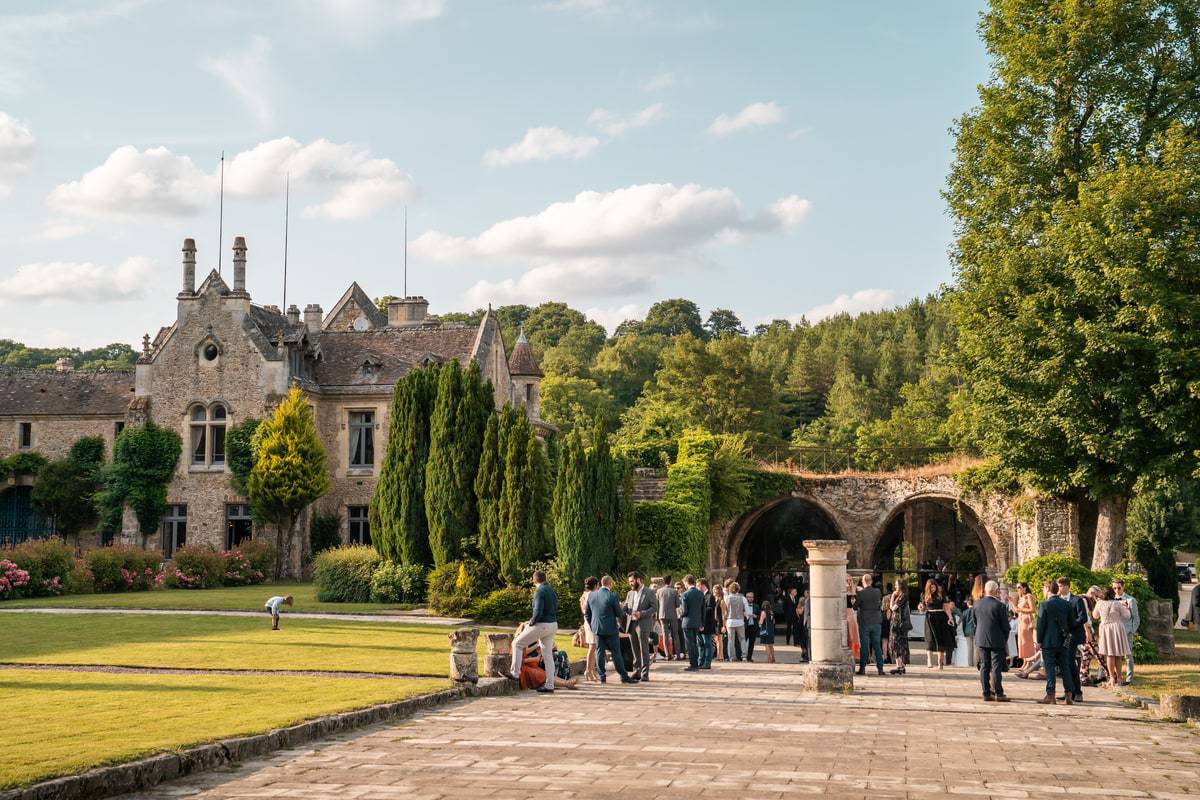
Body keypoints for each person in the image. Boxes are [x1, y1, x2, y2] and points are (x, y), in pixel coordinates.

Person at [506, 570, 558, 693]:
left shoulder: (539, 591)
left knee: (516, 643)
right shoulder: (551, 590)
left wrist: (531, 622)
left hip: (541, 624)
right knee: (547, 656)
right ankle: (550, 685)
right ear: (545, 579)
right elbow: (556, 605)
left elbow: (538, 611)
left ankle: (515, 673)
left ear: (534, 580)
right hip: (553, 624)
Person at [585, 575, 634, 684]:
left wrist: (593, 626)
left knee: (599, 652)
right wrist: (624, 609)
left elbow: (587, 614)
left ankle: (602, 676)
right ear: (610, 584)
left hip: (597, 629)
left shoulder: (591, 595)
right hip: (611, 630)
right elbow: (619, 614)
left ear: (601, 584)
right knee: (616, 653)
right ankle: (623, 676)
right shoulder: (612, 595)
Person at [1036, 580, 1075, 704]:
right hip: (1063, 641)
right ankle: (1069, 695)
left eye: (1043, 588)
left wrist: (1039, 640)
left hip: (1049, 641)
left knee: (1050, 668)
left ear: (1047, 589)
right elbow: (1072, 623)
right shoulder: (1067, 604)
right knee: (1065, 667)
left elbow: (1041, 624)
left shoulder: (1044, 604)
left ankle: (1051, 695)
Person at [973, 580, 1011, 702]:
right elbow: (1006, 626)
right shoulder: (1000, 605)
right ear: (996, 591)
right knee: (996, 667)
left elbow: (975, 622)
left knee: (984, 666)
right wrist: (1004, 639)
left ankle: (986, 692)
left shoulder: (977, 604)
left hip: (981, 638)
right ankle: (999, 693)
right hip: (997, 640)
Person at [515, 626, 579, 691]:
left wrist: (539, 646)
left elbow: (525, 652)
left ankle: (566, 683)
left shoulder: (523, 641)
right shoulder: (518, 642)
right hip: (524, 668)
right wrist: (535, 658)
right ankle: (566, 683)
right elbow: (519, 660)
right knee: (544, 675)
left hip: (530, 665)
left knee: (547, 673)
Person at [1094, 586, 1133, 689]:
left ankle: (1111, 678)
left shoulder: (1099, 603)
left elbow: (1095, 616)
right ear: (1112, 594)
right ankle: (1119, 678)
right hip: (1117, 627)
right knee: (1118, 655)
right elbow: (1127, 616)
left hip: (1105, 628)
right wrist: (1126, 607)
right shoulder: (1118, 604)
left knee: (1109, 655)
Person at [1057, 577, 1086, 703]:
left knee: (1069, 662)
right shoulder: (1057, 601)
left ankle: (1077, 691)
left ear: (1067, 586)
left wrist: (1071, 625)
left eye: (1062, 586)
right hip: (1062, 636)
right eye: (1058, 586)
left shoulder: (1077, 600)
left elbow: (1083, 617)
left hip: (1073, 635)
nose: (1060, 588)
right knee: (1064, 663)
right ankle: (1069, 691)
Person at [623, 571, 656, 681]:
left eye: (632, 581)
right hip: (631, 624)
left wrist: (641, 614)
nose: (630, 584)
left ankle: (645, 674)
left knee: (644, 649)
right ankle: (637, 672)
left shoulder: (649, 592)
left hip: (643, 624)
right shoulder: (630, 593)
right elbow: (626, 608)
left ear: (638, 580)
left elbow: (654, 608)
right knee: (635, 650)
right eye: (629, 582)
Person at [919, 579, 953, 670]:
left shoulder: (941, 594)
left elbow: (946, 606)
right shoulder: (924, 595)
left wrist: (950, 617)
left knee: (940, 640)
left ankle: (940, 663)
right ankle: (929, 661)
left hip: (941, 617)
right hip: (930, 617)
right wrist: (921, 608)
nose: (933, 588)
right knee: (929, 639)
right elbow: (922, 608)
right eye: (931, 587)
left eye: (934, 587)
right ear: (928, 587)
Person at [855, 574, 884, 676]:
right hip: (876, 621)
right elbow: (878, 604)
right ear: (871, 581)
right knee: (877, 645)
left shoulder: (861, 593)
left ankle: (862, 668)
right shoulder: (878, 592)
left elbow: (855, 606)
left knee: (864, 646)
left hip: (865, 622)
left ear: (863, 582)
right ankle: (880, 668)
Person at [1111, 579, 1139, 684]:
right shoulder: (1111, 600)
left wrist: (1132, 630)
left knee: (1128, 655)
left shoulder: (1131, 600)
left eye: (1119, 588)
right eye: (1114, 588)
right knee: (1113, 654)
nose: (1117, 590)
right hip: (1114, 630)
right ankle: (1114, 676)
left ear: (1123, 587)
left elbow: (1136, 618)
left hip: (1127, 631)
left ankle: (1129, 679)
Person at [680, 575, 705, 671]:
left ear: (687, 582)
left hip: (687, 622)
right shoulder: (700, 594)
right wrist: (702, 623)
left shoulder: (685, 594)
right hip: (697, 622)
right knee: (695, 643)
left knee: (690, 644)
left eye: (684, 583)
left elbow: (685, 611)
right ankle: (696, 663)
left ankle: (693, 665)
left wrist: (680, 614)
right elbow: (703, 610)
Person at [887, 579, 911, 675]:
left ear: (900, 586)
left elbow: (892, 607)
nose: (895, 586)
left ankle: (900, 666)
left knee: (895, 644)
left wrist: (892, 595)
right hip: (899, 623)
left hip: (898, 624)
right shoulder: (902, 596)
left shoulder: (902, 596)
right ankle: (901, 666)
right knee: (900, 644)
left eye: (896, 585)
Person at [658, 574, 683, 663]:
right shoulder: (674, 591)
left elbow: (657, 604)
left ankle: (667, 655)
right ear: (670, 581)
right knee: (675, 635)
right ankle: (678, 655)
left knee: (665, 635)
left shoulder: (659, 591)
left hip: (662, 615)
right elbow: (678, 604)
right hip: (673, 615)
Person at [579, 576, 600, 683]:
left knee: (593, 646)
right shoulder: (592, 595)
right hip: (592, 622)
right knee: (592, 647)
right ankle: (588, 670)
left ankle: (591, 671)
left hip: (587, 622)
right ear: (595, 585)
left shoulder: (584, 595)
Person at [724, 582, 750, 661]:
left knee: (731, 640)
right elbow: (747, 611)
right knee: (742, 639)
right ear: (738, 589)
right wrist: (746, 616)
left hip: (730, 621)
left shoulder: (727, 598)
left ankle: (732, 657)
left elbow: (725, 611)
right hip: (740, 621)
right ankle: (744, 656)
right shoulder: (743, 598)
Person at [1014, 582, 1037, 665]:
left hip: (1027, 620)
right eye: (1017, 587)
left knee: (1027, 642)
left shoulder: (1029, 596)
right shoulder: (1022, 598)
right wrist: (1012, 602)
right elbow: (1017, 610)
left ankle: (1029, 662)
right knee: (1021, 642)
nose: (1017, 589)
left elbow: (1033, 610)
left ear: (1025, 588)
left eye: (1019, 587)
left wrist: (1021, 610)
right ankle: (1025, 662)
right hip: (1021, 620)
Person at [699, 578, 717, 669]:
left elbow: (710, 609)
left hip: (707, 624)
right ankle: (701, 661)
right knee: (701, 644)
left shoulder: (710, 596)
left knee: (707, 643)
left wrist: (700, 610)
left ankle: (707, 662)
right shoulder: (700, 596)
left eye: (698, 585)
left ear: (703, 585)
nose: (697, 587)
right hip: (699, 623)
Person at [845, 577, 861, 663]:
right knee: (849, 634)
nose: (848, 583)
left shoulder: (853, 592)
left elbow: (853, 604)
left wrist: (852, 590)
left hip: (850, 614)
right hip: (846, 614)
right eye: (847, 581)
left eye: (850, 581)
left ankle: (854, 654)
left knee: (853, 635)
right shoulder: (844, 591)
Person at [758, 598, 777, 663]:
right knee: (771, 645)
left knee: (766, 645)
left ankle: (769, 658)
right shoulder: (772, 612)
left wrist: (759, 623)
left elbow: (761, 621)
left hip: (765, 630)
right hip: (771, 629)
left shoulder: (763, 612)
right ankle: (773, 658)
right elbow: (774, 622)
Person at [961, 596, 978, 668]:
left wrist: (964, 631)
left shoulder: (964, 612)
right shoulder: (976, 611)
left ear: (968, 603)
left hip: (967, 631)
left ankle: (970, 664)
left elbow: (963, 623)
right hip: (975, 631)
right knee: (976, 649)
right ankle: (976, 664)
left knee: (969, 649)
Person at [711, 584, 727, 662]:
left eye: (715, 589)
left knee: (720, 640)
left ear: (719, 591)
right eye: (713, 589)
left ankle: (720, 656)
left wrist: (724, 626)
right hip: (715, 621)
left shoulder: (722, 601)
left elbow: (724, 614)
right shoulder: (715, 600)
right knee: (716, 640)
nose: (713, 591)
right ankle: (719, 655)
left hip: (720, 622)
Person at [744, 591, 760, 662]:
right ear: (746, 598)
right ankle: (742, 656)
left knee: (751, 643)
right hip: (745, 627)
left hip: (753, 627)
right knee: (743, 642)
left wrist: (755, 616)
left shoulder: (756, 606)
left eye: (751, 597)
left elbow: (760, 615)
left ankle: (749, 657)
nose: (750, 598)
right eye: (748, 597)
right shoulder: (743, 605)